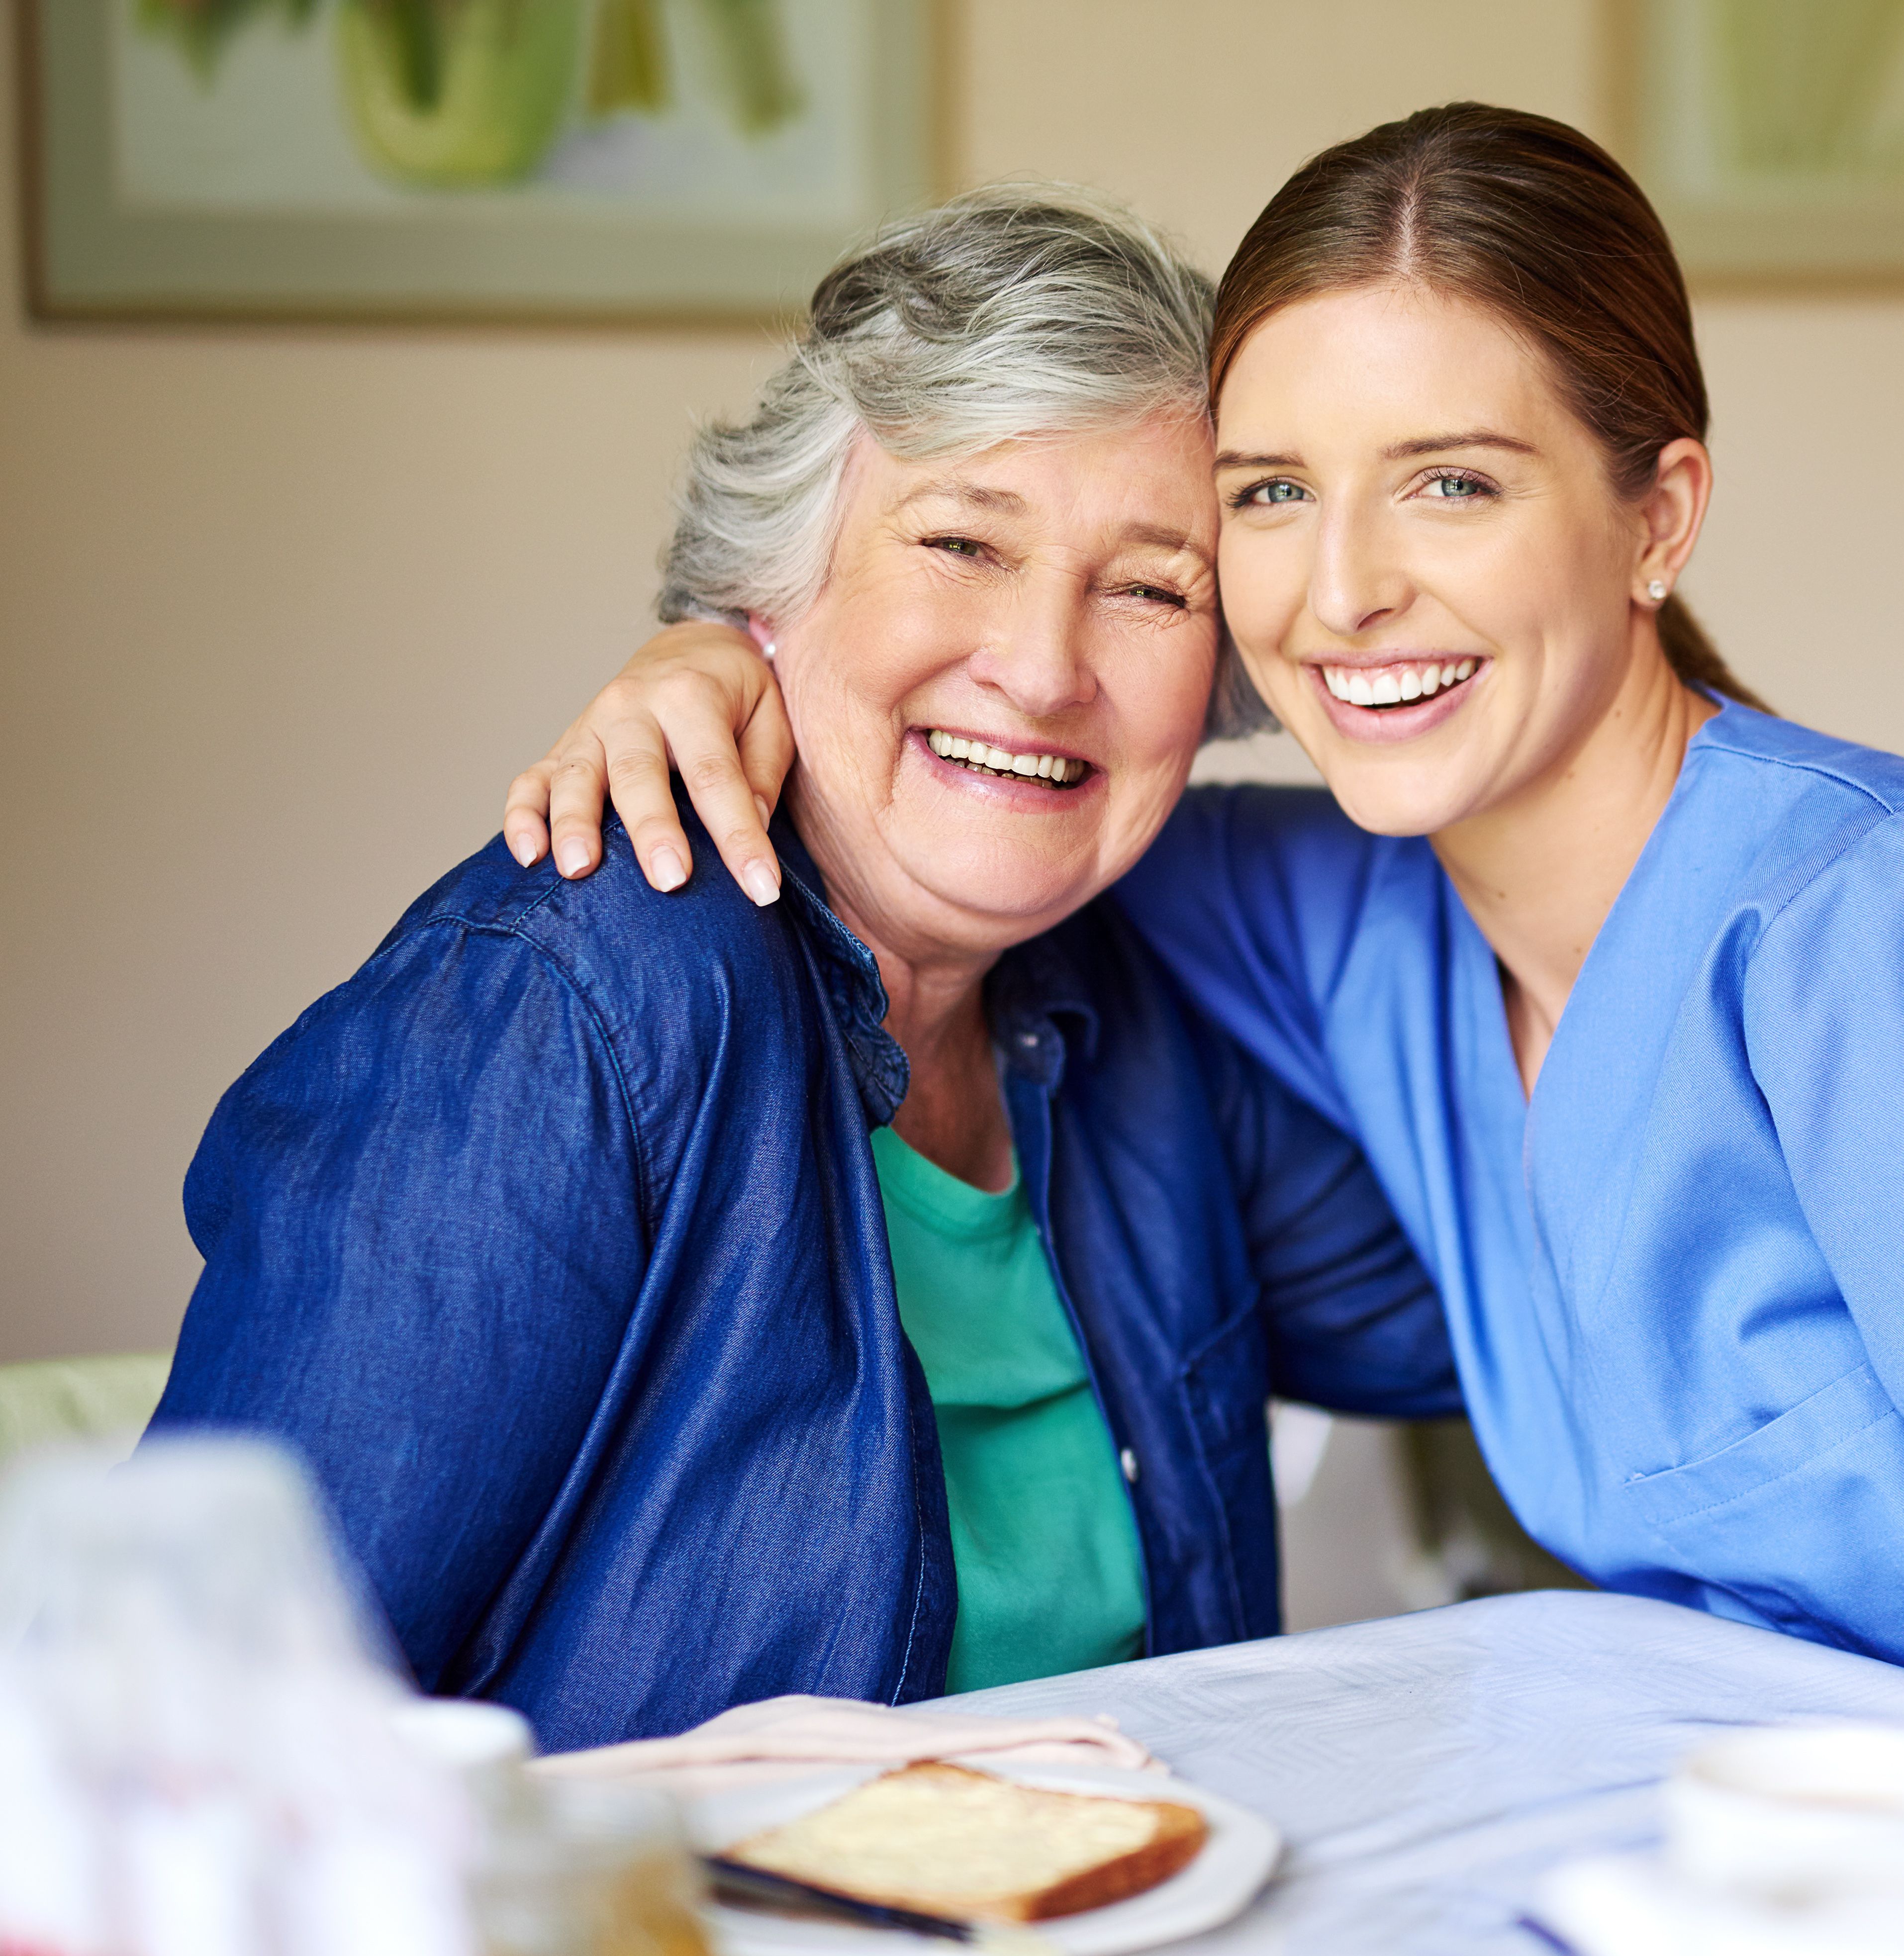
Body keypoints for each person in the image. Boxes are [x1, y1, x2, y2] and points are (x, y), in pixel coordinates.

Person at [506, 108, 1904, 1913]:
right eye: (1274, 496)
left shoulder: (1891, 933)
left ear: (1658, 511)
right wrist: (733, 657)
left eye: (1457, 486)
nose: (1345, 590)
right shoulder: (1346, 916)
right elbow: (1010, 791)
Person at [152, 186, 1457, 1754]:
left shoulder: (1139, 1003)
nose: (1045, 668)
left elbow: (1539, 1310)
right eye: (965, 541)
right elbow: (190, 1754)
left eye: (1151, 585)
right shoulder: (563, 1012)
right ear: (768, 591)